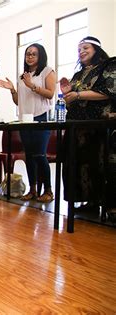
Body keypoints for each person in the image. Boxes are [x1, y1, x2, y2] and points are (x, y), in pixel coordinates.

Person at [60, 36, 116, 217]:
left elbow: (108, 93)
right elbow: (72, 102)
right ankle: (90, 202)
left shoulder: (108, 66)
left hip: (98, 126)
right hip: (78, 127)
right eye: (79, 49)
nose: (81, 51)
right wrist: (68, 95)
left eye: (86, 47)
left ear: (96, 49)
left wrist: (78, 95)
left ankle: (108, 206)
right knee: (81, 165)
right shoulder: (78, 75)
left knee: (100, 164)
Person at [0, 43, 56, 202]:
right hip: (25, 120)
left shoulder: (47, 71)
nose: (29, 57)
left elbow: (50, 94)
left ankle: (49, 191)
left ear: (40, 56)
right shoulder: (22, 76)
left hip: (41, 118)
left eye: (33, 54)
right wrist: (12, 90)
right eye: (27, 54)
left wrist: (31, 85)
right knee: (29, 156)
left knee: (39, 155)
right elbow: (19, 102)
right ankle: (33, 190)